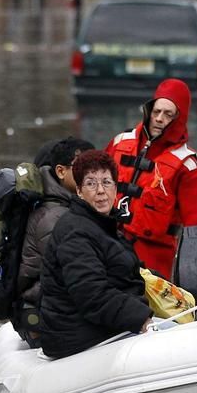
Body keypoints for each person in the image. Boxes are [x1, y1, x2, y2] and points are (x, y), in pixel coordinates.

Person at [38, 149, 153, 359]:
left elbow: (124, 271)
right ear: (79, 191)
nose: (100, 191)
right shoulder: (75, 232)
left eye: (107, 183)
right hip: (77, 336)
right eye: (91, 183)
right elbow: (91, 295)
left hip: (99, 327)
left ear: (116, 188)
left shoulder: (104, 227)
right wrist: (142, 318)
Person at [106, 78, 197, 280]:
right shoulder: (120, 142)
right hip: (109, 243)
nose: (159, 119)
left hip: (154, 258)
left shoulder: (186, 166)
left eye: (168, 114)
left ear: (179, 119)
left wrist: (194, 272)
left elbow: (196, 227)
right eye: (156, 112)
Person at [13, 136, 94, 347]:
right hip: (46, 317)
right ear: (60, 171)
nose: (90, 175)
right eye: (83, 168)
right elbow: (72, 276)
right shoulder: (55, 218)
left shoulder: (68, 208)